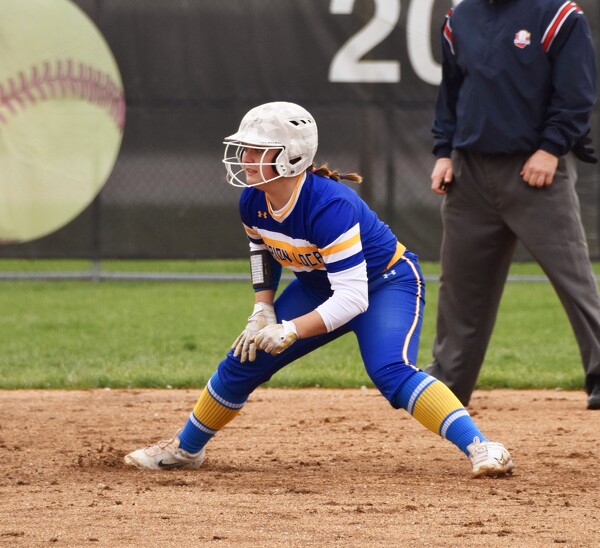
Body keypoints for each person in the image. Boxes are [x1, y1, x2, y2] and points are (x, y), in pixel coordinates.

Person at [124, 101, 513, 478]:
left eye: (257, 150)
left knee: (391, 370)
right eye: (245, 148)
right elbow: (261, 247)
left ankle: (482, 446)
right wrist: (263, 309)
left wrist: (291, 330)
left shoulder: (330, 206)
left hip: (385, 285)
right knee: (244, 360)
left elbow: (353, 298)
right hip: (319, 286)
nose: (244, 158)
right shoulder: (252, 199)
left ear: (291, 158)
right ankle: (187, 449)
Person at [426, 0, 600, 410]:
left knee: (573, 279)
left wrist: (551, 148)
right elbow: (451, 92)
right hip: (468, 173)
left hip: (534, 170)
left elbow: (576, 92)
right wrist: (443, 152)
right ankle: (448, 382)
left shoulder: (558, 14)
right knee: (459, 286)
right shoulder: (460, 15)